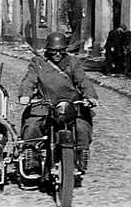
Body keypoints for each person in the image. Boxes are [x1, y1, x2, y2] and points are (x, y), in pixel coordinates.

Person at [18, 32, 98, 175]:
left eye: (61, 51)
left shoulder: (73, 62)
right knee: (32, 126)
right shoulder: (38, 63)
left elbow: (83, 80)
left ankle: (81, 154)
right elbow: (29, 80)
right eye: (54, 51)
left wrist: (90, 96)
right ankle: (33, 158)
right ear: (48, 50)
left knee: (82, 127)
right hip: (45, 104)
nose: (57, 54)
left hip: (71, 105)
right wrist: (25, 95)